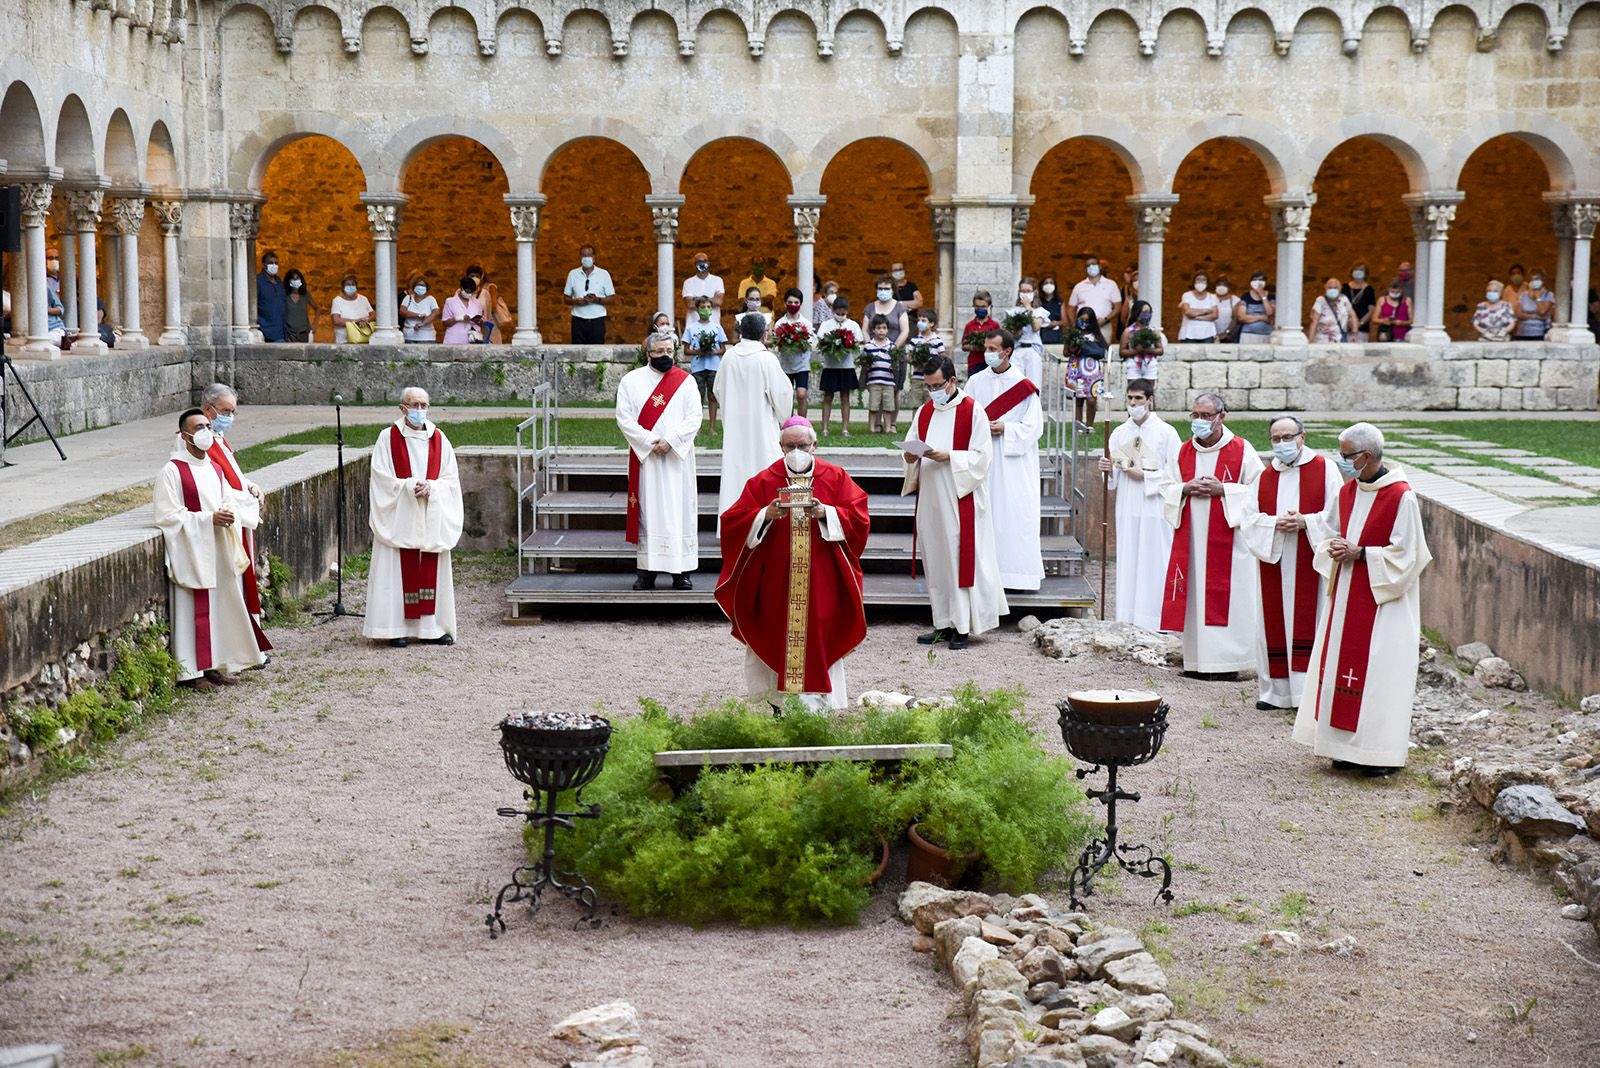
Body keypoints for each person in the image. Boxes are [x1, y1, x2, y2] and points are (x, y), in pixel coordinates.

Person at [1293, 423, 1432, 776]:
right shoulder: (1349, 491)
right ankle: (1340, 747)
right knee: (1340, 666)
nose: (1340, 461)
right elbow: (1328, 529)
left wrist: (1362, 554)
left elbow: (1409, 555)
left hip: (1383, 601)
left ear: (1366, 456)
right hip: (1346, 596)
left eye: (1345, 455)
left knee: (1380, 673)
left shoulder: (1402, 495)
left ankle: (1376, 753)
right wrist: (1335, 546)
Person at [716, 418, 871, 711]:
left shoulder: (836, 477)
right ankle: (777, 705)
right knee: (775, 636)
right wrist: (765, 514)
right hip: (776, 583)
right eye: (790, 446)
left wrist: (827, 513)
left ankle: (818, 706)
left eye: (803, 445)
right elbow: (733, 522)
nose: (797, 451)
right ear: (780, 447)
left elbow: (860, 519)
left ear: (815, 445)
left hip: (823, 582)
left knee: (819, 639)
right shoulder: (764, 480)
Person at [154, 408, 268, 689]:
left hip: (217, 548)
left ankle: (214, 664)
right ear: (184, 435)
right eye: (198, 427)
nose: (206, 431)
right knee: (194, 609)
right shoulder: (172, 471)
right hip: (193, 551)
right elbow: (168, 515)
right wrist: (207, 520)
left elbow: (227, 499)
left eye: (207, 426)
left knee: (219, 608)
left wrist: (231, 512)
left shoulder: (215, 469)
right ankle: (192, 672)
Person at [903, 355, 1008, 649]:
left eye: (937, 385)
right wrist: (910, 456)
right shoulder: (925, 412)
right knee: (936, 560)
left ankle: (962, 626)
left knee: (957, 557)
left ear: (952, 381)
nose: (933, 391)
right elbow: (912, 442)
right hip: (931, 498)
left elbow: (982, 458)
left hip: (961, 496)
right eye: (928, 386)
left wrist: (947, 455)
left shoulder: (973, 411)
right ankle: (942, 623)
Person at [1237, 416, 1342, 711]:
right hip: (1276, 560)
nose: (1281, 443)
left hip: (1310, 561)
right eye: (1275, 438)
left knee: (1312, 619)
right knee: (1272, 622)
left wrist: (1305, 522)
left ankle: (1307, 695)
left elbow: (1337, 513)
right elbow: (1249, 519)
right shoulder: (1265, 476)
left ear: (1302, 437)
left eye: (1287, 437)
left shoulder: (1325, 470)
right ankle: (1276, 692)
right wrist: (1274, 524)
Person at [1157, 392, 1264, 677]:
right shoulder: (1182, 451)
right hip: (1191, 540)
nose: (1200, 421)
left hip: (1229, 542)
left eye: (1206, 416)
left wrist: (1225, 491)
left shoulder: (1242, 449)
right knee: (1195, 598)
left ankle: (1230, 663)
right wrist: (1185, 488)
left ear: (1221, 417)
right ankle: (1196, 662)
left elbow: (1260, 491)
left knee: (1230, 598)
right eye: (1196, 415)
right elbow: (1166, 486)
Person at [363, 389, 462, 646]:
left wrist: (433, 488)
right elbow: (381, 479)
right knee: (396, 571)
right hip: (400, 518)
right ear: (403, 408)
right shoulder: (387, 439)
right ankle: (393, 628)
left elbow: (450, 480)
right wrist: (408, 488)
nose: (420, 409)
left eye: (424, 404)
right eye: (414, 404)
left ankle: (431, 629)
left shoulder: (439, 439)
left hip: (430, 514)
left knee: (430, 568)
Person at [617, 332, 702, 590]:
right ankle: (647, 571)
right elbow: (624, 418)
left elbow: (694, 416)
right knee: (648, 512)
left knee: (680, 512)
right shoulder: (631, 381)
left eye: (669, 351)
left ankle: (681, 572)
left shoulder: (685, 382)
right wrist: (651, 442)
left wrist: (671, 441)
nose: (665, 356)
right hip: (647, 460)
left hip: (678, 459)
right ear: (648, 354)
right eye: (660, 351)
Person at [1096, 380, 1180, 630]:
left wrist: (1146, 475)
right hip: (1128, 504)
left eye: (1138, 399)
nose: (1133, 404)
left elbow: (1176, 473)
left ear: (1150, 400)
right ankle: (1128, 615)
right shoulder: (1119, 433)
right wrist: (1107, 470)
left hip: (1155, 504)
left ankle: (1156, 618)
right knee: (1130, 554)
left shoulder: (1167, 433)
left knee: (1155, 557)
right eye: (1130, 399)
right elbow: (1111, 480)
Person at [965, 329, 1044, 592]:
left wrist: (1007, 429)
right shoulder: (975, 382)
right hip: (984, 457)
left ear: (1006, 352)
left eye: (992, 349)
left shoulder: (1024, 385)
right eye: (986, 348)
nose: (987, 353)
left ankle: (1016, 576)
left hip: (1013, 463)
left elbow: (1034, 427)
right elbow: (965, 416)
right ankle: (984, 575)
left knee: (1013, 513)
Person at [199, 383, 273, 658]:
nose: (229, 417)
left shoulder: (219, 440)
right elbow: (212, 484)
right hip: (224, 522)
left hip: (237, 520)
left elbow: (233, 474)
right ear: (209, 410)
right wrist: (244, 500)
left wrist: (249, 485)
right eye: (225, 411)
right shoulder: (202, 441)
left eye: (233, 412)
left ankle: (247, 648)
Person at [714, 312, 794, 521]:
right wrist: (784, 420)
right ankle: (767, 520)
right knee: (764, 469)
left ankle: (735, 523)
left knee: (736, 474)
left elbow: (717, 390)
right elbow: (783, 394)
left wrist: (731, 409)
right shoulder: (766, 359)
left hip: (735, 428)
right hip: (762, 428)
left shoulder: (728, 357)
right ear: (763, 333)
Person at [816, 296, 862, 437]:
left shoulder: (853, 325)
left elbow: (858, 341)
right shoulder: (826, 324)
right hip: (830, 366)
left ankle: (845, 428)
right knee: (828, 397)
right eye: (838, 313)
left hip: (846, 367)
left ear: (847, 312)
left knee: (845, 397)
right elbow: (821, 340)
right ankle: (824, 428)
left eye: (843, 314)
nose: (840, 316)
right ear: (832, 310)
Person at [685, 294, 727, 430]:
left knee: (712, 396)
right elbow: (686, 350)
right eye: (703, 307)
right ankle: (696, 426)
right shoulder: (691, 328)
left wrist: (713, 351)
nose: (706, 309)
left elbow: (723, 348)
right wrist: (699, 351)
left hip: (713, 366)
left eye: (709, 307)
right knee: (698, 396)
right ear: (697, 310)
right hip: (698, 367)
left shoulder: (717, 327)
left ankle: (712, 427)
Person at [772, 287, 814, 416]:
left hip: (801, 365)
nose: (793, 305)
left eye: (796, 303)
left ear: (800, 304)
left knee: (801, 394)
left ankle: (802, 422)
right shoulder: (780, 323)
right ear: (785, 303)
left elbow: (810, 344)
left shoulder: (806, 323)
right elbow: (776, 344)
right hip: (785, 365)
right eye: (790, 302)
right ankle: (789, 422)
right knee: (786, 395)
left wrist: (800, 342)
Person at [564, 244, 614, 344]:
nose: (586, 258)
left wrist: (597, 300)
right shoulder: (573, 274)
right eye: (584, 255)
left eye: (589, 255)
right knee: (577, 353)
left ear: (594, 257)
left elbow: (612, 298)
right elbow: (565, 298)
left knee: (597, 352)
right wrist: (576, 301)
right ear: (580, 257)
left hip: (597, 321)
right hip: (578, 321)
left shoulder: (604, 274)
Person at [1065, 306, 1106, 426]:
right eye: (1082, 320)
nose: (1084, 323)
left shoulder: (1096, 335)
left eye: (1087, 321)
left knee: (1092, 399)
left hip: (1092, 370)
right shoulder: (1073, 334)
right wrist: (1073, 348)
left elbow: (1103, 350)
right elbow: (1065, 352)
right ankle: (1078, 426)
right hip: (1077, 368)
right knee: (1079, 399)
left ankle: (1089, 426)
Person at [1067, 256, 1122, 344]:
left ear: (1100, 266)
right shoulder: (1079, 287)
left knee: (1103, 352)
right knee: (1084, 350)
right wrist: (1075, 325)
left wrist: (1105, 319)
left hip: (1103, 325)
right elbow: (1070, 308)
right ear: (1085, 269)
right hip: (1084, 327)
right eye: (1088, 265)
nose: (1091, 267)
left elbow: (1118, 307)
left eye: (1093, 264)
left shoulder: (1111, 284)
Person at [861, 314, 898, 434]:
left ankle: (888, 428)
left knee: (888, 407)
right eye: (878, 328)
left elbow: (895, 363)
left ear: (887, 329)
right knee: (873, 406)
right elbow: (865, 364)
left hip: (888, 381)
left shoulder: (892, 346)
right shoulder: (869, 346)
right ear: (873, 330)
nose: (881, 331)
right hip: (874, 381)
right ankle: (872, 428)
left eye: (884, 328)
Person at [1007, 277, 1046, 387]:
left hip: (1033, 349)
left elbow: (1036, 327)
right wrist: (1017, 329)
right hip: (1018, 349)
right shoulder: (1014, 311)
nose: (1025, 294)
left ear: (1034, 292)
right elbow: (1012, 334)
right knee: (1016, 384)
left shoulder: (1039, 311)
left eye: (1028, 291)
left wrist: (1028, 308)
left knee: (1034, 384)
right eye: (1022, 291)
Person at [1119, 300, 1163, 381]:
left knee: (1148, 391)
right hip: (1133, 366)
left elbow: (1160, 350)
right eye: (1144, 312)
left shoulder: (1153, 330)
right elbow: (1122, 352)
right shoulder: (1128, 331)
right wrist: (1136, 351)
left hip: (1150, 365)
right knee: (1134, 390)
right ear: (1137, 313)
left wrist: (1148, 350)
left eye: (1149, 312)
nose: (1147, 315)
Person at [683, 252, 725, 334]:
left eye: (705, 261)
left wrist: (697, 299)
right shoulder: (688, 282)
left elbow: (719, 301)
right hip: (692, 327)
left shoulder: (717, 280)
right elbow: (690, 304)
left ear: (708, 263)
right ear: (695, 264)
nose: (702, 263)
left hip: (714, 326)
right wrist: (710, 299)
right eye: (699, 262)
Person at [863, 275, 911, 347]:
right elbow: (864, 330)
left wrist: (894, 348)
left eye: (886, 289)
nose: (883, 291)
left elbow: (905, 331)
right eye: (880, 288)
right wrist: (870, 347)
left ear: (893, 290)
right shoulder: (870, 307)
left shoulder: (899, 308)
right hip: (872, 353)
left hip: (895, 353)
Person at [1308, 277, 1358, 343]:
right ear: (1325, 288)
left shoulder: (1344, 299)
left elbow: (1353, 316)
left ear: (1340, 289)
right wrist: (1310, 341)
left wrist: (1354, 334)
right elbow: (1314, 321)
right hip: (1323, 340)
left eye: (1335, 288)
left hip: (1340, 339)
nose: (1332, 290)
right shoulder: (1320, 300)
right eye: (1330, 287)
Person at [441, 275, 486, 345]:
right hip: (454, 339)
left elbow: (482, 322)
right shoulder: (450, 301)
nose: (469, 294)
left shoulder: (477, 303)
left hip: (472, 340)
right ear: (461, 288)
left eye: (472, 292)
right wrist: (457, 318)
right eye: (467, 291)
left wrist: (476, 320)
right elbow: (445, 323)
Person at [1512, 268, 1555, 340]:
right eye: (1532, 279)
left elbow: (1542, 311)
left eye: (1537, 279)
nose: (1534, 281)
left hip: (1540, 333)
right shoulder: (1523, 295)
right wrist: (1535, 316)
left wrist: (1537, 297)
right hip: (1522, 332)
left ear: (1543, 280)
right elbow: (1519, 314)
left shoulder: (1549, 295)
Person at [331, 274, 374, 344]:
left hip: (364, 340)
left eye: (352, 284)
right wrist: (356, 321)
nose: (350, 286)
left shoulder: (363, 299)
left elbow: (373, 314)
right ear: (343, 287)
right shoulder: (337, 301)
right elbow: (336, 320)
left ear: (356, 286)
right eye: (347, 284)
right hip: (344, 341)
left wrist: (366, 320)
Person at [960, 290, 995, 375]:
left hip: (990, 364)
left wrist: (986, 347)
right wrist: (973, 347)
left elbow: (999, 346)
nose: (980, 309)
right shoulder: (969, 325)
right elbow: (964, 346)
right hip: (974, 364)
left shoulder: (994, 325)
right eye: (977, 306)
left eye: (983, 306)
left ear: (989, 307)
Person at [1176, 272, 1218, 343]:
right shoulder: (1187, 295)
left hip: (1208, 333)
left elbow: (1215, 315)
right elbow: (1188, 312)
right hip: (1189, 333)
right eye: (1198, 279)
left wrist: (1197, 317)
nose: (1201, 282)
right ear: (1194, 281)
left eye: (1204, 280)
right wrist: (1206, 311)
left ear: (1207, 283)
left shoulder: (1212, 297)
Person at [256, 250, 286, 342]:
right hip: (266, 330)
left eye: (276, 263)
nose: (274, 265)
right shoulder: (258, 281)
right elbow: (253, 304)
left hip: (281, 330)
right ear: (264, 264)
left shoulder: (279, 282)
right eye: (271, 263)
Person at [400, 274, 438, 343]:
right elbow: (402, 311)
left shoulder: (431, 299)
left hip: (427, 337)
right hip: (409, 337)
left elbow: (435, 313)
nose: (420, 287)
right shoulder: (408, 298)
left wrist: (422, 324)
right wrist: (418, 315)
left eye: (423, 285)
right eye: (418, 284)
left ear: (427, 287)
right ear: (414, 286)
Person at [1342, 265, 1376, 339]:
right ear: (1351, 272)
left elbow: (1371, 310)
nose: (1358, 271)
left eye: (1361, 270)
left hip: (1362, 329)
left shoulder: (1369, 289)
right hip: (1345, 327)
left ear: (1366, 273)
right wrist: (1348, 322)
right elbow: (1340, 307)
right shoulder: (1344, 287)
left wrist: (1359, 324)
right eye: (1356, 269)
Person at [283, 269, 312, 342]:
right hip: (289, 333)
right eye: (293, 278)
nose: (295, 280)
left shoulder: (305, 294)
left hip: (304, 333)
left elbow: (318, 308)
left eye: (297, 278)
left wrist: (315, 325)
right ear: (288, 280)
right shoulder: (284, 295)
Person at [44, 246, 65, 340]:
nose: (54, 261)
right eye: (50, 258)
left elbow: (60, 308)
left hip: (55, 325)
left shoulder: (66, 278)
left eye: (56, 258)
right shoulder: (44, 281)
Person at [1038, 274, 1064, 345]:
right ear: (1042, 286)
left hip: (1056, 336)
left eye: (1051, 283)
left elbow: (1064, 321)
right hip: (1041, 336)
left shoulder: (1059, 302)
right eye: (1046, 283)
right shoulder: (1038, 302)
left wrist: (1056, 323)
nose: (1048, 285)